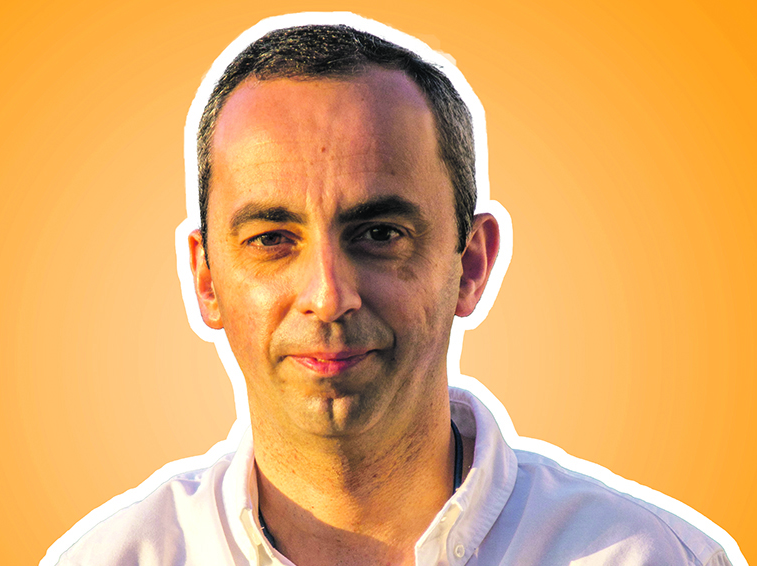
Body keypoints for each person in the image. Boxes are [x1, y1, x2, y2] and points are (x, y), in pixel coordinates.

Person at [43, 13, 744, 566]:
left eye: (379, 233)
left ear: (472, 264)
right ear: (206, 279)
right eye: (272, 238)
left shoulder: (652, 557)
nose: (328, 295)